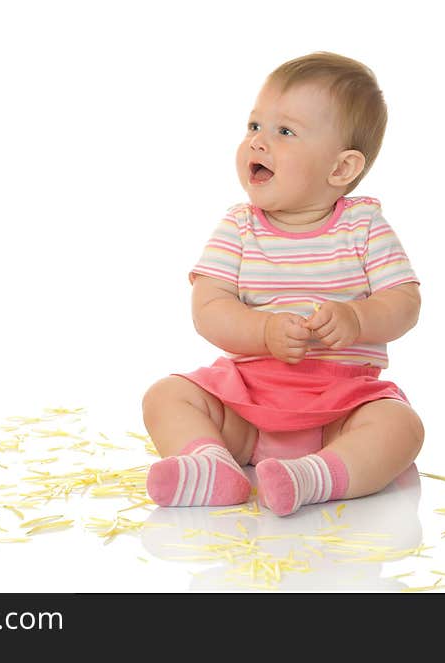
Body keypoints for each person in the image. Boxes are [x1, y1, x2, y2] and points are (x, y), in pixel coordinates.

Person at [142, 51, 424, 516]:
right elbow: (208, 306)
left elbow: (405, 302)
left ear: (340, 169)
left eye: (284, 132)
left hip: (340, 407)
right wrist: (263, 333)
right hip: (246, 403)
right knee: (166, 395)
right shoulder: (239, 226)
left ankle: (313, 476)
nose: (257, 143)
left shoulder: (364, 226)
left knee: (401, 427)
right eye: (254, 126)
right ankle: (210, 463)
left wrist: (357, 319)